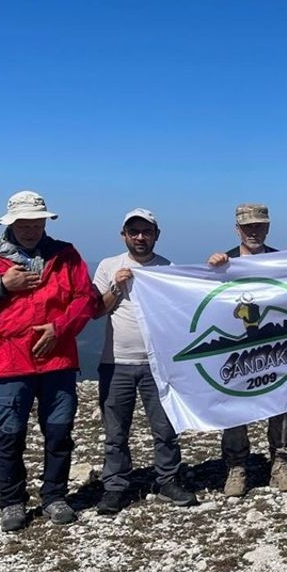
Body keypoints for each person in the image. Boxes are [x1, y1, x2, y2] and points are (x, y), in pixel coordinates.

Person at [0, 191, 96, 531]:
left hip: (57, 359)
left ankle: (55, 496)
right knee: (10, 436)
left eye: (37, 222)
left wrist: (60, 328)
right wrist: (1, 284)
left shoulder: (66, 255)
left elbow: (84, 299)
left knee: (59, 433)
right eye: (24, 223)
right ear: (11, 223)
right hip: (9, 362)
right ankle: (13, 503)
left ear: (45, 222)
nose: (31, 229)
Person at [92, 208, 197, 514]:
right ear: (123, 235)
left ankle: (168, 481)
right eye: (134, 232)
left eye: (146, 232)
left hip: (158, 363)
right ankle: (115, 487)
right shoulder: (108, 266)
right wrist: (116, 286)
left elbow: (180, 312)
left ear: (156, 236)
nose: (140, 237)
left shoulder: (168, 268)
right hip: (115, 362)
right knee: (115, 432)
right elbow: (97, 310)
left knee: (165, 428)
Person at [206, 203, 287, 497]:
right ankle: (236, 467)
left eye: (259, 226)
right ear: (237, 229)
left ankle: (281, 464)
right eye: (248, 226)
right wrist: (210, 268)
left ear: (268, 227)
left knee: (281, 403)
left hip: (277, 347)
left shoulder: (281, 259)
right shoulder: (225, 264)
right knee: (236, 403)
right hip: (240, 349)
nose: (253, 231)